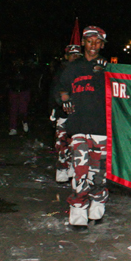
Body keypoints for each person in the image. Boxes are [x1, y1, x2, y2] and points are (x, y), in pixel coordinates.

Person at [58, 26, 109, 230]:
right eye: (89, 41)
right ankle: (78, 212)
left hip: (102, 129)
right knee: (80, 172)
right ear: (84, 43)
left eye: (97, 42)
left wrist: (104, 73)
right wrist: (63, 98)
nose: (93, 45)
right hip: (78, 127)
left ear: (102, 45)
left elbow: (121, 91)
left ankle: (97, 206)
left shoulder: (108, 67)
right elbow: (61, 87)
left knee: (99, 174)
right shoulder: (73, 67)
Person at [51, 44, 82, 183]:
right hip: (63, 113)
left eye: (77, 55)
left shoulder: (83, 71)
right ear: (66, 56)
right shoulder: (61, 72)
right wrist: (56, 108)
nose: (75, 57)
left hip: (79, 114)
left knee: (76, 143)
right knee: (62, 142)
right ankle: (62, 169)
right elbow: (55, 91)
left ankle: (72, 168)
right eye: (72, 55)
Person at [7, 55, 33, 135]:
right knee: (13, 110)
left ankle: (24, 121)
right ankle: (13, 128)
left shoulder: (26, 70)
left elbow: (30, 80)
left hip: (23, 91)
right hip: (14, 91)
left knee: (23, 109)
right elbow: (8, 80)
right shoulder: (11, 70)